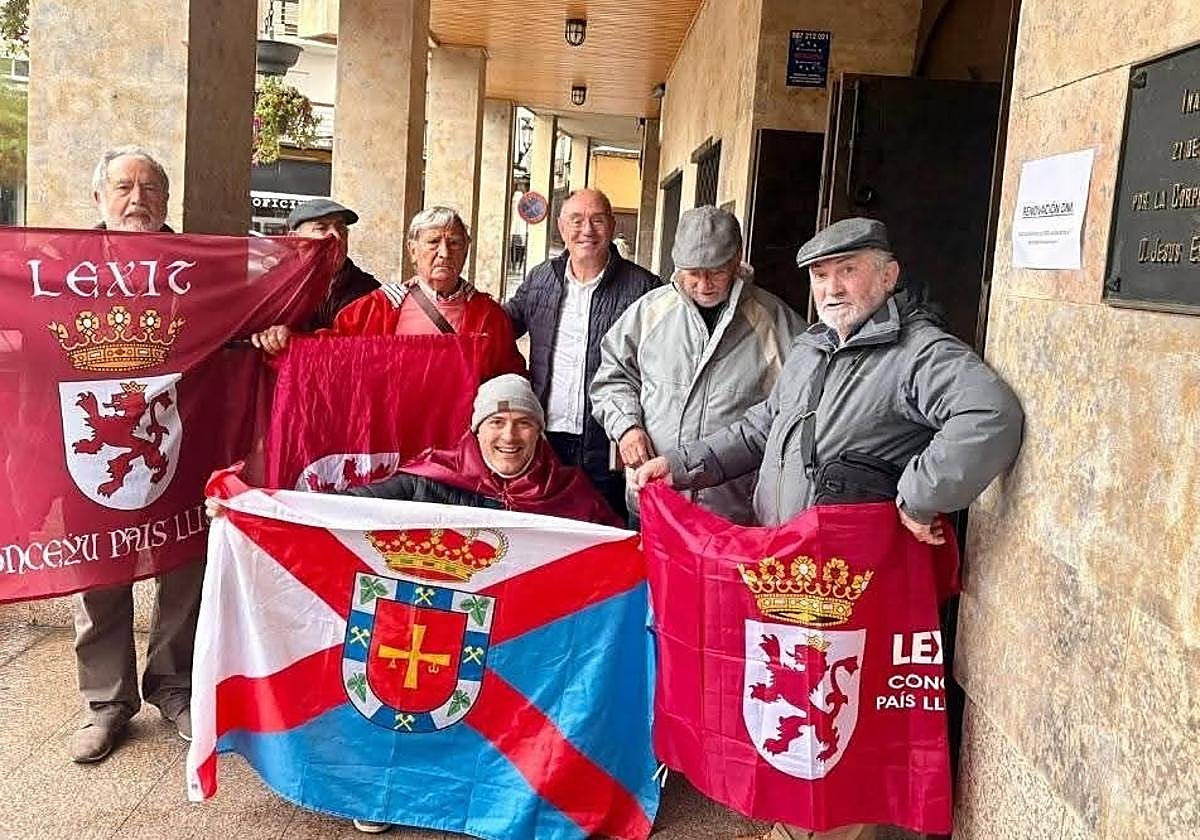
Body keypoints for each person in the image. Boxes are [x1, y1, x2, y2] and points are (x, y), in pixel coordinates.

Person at [632, 217, 1025, 840]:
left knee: (845, 727)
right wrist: (681, 467)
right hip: (789, 568)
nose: (832, 287)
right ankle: (796, 828)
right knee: (797, 714)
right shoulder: (814, 346)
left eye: (849, 270)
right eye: (820, 275)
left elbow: (990, 416)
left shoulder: (918, 352)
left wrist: (919, 497)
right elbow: (762, 427)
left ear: (888, 276)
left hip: (854, 586)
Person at [71, 146, 200, 763]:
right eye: (124, 186)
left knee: (183, 569)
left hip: (178, 438)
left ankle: (174, 685)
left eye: (151, 188)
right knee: (99, 570)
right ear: (99, 198)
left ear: (168, 201)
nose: (137, 198)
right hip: (87, 451)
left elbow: (237, 324)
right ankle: (106, 701)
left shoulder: (198, 267)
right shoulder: (62, 268)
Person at [590, 205, 803, 525]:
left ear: (736, 260)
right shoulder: (651, 311)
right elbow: (612, 377)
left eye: (716, 271)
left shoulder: (774, 323)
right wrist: (626, 426)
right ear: (678, 267)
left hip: (731, 511)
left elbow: (795, 410)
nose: (704, 284)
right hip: (653, 501)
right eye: (693, 273)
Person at [504, 189, 659, 517]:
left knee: (607, 534)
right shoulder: (541, 279)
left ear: (612, 225)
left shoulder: (643, 289)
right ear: (561, 227)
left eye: (597, 220)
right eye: (576, 220)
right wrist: (451, 297)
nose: (586, 230)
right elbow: (499, 326)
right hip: (546, 442)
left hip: (609, 445)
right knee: (547, 537)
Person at [332, 207, 526, 382]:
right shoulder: (377, 308)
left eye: (454, 243)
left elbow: (509, 377)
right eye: (433, 242)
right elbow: (331, 357)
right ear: (412, 250)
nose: (444, 252)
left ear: (466, 250)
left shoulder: (489, 315)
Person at [93, 145, 173, 232]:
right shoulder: (79, 245)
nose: (138, 199)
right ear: (99, 198)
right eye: (124, 188)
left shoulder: (185, 246)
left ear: (165, 199)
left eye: (149, 189)